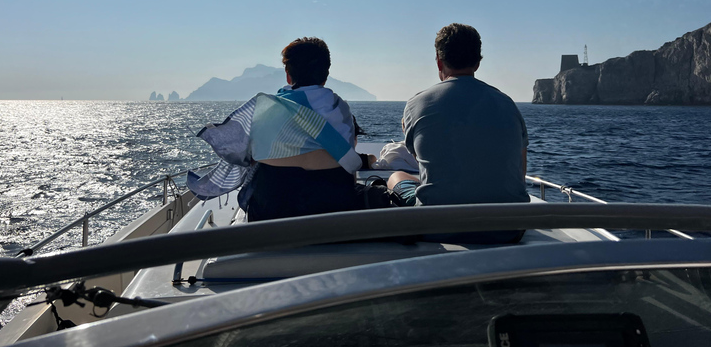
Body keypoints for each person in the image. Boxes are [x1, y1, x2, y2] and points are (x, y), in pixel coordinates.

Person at [187, 37, 391, 222]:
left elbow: (248, 158)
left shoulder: (263, 111)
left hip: (269, 214)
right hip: (333, 213)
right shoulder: (340, 109)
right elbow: (349, 163)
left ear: (288, 75)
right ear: (326, 75)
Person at [387, 23, 530, 243]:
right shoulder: (508, 104)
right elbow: (519, 173)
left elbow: (427, 160)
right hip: (508, 229)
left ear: (438, 61)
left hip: (438, 227)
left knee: (396, 177)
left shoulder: (417, 104)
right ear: (478, 62)